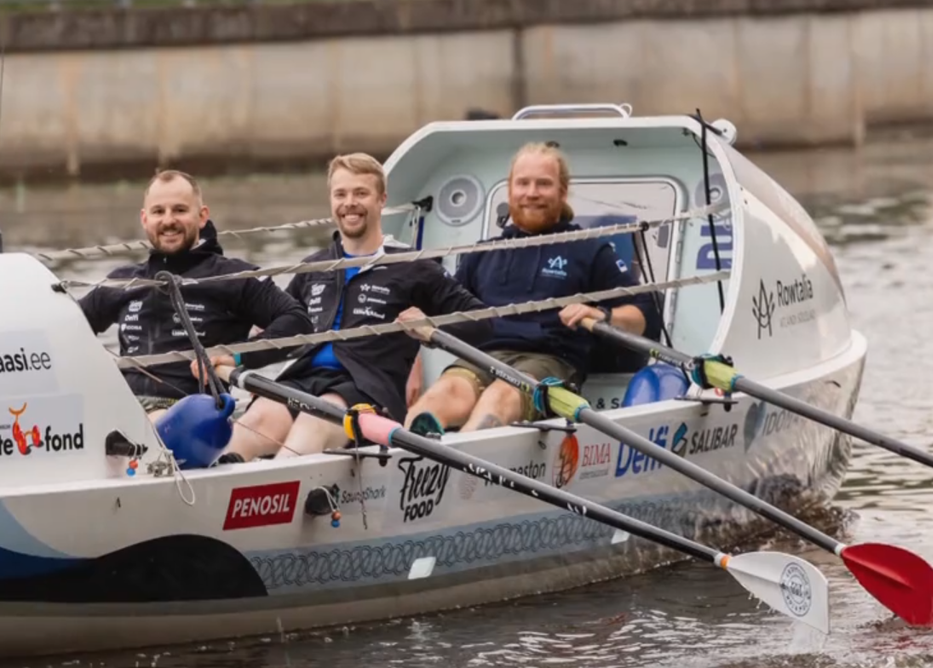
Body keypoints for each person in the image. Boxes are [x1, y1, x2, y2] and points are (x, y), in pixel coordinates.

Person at [208, 153, 495, 464]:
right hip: (303, 379)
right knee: (253, 422)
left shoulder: (414, 267)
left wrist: (431, 329)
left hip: (368, 390)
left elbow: (483, 326)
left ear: (382, 199)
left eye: (361, 193)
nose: (350, 203)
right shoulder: (314, 267)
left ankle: (277, 494)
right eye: (340, 194)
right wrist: (236, 355)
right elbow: (287, 330)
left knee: (311, 425)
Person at [403, 140, 647, 434]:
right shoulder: (481, 254)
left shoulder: (589, 249)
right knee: (440, 395)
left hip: (550, 361)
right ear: (510, 189)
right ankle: (411, 455)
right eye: (523, 183)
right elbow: (447, 314)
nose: (532, 193)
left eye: (543, 184)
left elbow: (641, 316)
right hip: (482, 357)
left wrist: (602, 316)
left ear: (562, 191)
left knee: (500, 396)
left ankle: (461, 467)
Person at [76, 170, 313, 420]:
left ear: (202, 217)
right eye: (159, 212)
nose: (168, 220)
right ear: (145, 219)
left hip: (192, 415)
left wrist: (235, 355)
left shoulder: (233, 277)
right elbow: (64, 325)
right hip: (124, 410)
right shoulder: (123, 280)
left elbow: (297, 321)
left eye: (179, 210)